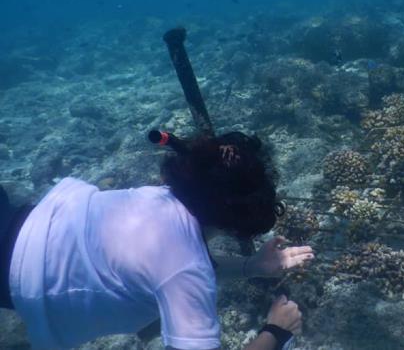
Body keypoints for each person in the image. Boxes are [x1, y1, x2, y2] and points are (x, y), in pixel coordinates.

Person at [0, 130, 315, 350]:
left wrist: (251, 266)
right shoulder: (185, 268)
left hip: (17, 219)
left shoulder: (158, 198)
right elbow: (181, 268)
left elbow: (169, 266)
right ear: (243, 220)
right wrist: (276, 331)